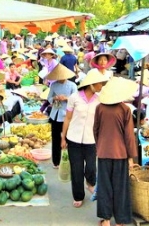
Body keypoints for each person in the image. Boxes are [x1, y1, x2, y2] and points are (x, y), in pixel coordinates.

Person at [93, 77, 138, 226]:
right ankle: (120, 220)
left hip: (104, 151)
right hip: (121, 153)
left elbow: (96, 130)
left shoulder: (99, 108)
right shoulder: (125, 109)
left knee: (105, 186)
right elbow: (129, 135)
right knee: (120, 187)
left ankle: (105, 219)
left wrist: (99, 146)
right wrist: (131, 157)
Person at [61, 69, 109, 208]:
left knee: (91, 167)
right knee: (76, 169)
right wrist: (63, 138)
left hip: (91, 139)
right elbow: (68, 118)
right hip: (73, 138)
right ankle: (78, 195)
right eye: (100, 84)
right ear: (91, 84)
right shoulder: (74, 97)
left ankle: (90, 183)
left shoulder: (100, 99)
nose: (101, 86)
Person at [46, 64, 77, 169]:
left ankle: (70, 160)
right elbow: (49, 98)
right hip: (55, 114)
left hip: (67, 115)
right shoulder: (54, 85)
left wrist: (66, 98)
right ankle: (56, 161)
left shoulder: (72, 85)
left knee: (69, 138)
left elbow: (76, 100)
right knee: (56, 139)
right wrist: (54, 98)